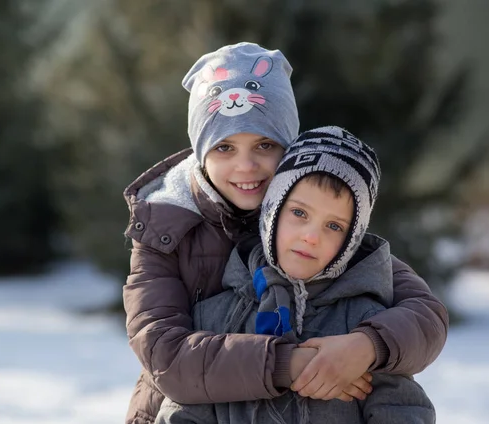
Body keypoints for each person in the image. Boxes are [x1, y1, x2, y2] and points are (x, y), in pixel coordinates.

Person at [123, 42, 448, 424]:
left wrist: (364, 347)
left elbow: (426, 315)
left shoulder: (309, 220)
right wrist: (294, 364)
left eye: (264, 144)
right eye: (225, 147)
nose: (246, 166)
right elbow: (166, 355)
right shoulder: (166, 229)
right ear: (200, 152)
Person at [155, 126, 436, 423]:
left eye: (334, 226)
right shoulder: (215, 318)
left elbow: (402, 411)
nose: (311, 236)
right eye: (299, 213)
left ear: (351, 241)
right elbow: (184, 410)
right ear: (271, 212)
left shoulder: (365, 323)